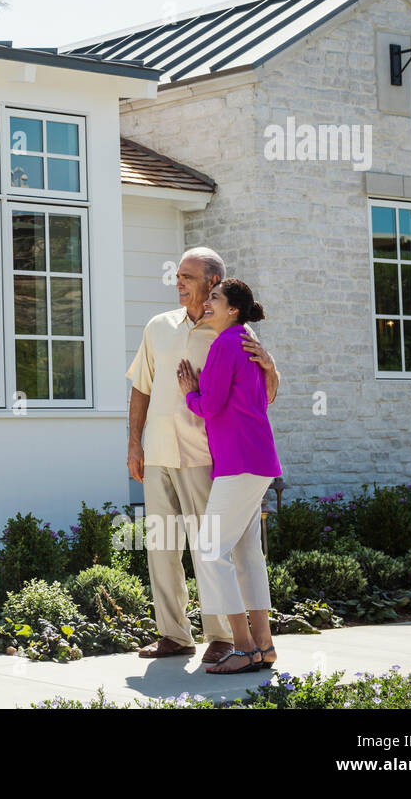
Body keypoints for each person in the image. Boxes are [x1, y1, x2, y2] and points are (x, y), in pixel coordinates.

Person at [126, 248, 278, 662]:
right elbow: (141, 386)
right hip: (159, 453)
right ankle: (174, 634)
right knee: (161, 545)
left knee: (211, 547)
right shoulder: (158, 327)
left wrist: (273, 368)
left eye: (187, 277)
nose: (178, 283)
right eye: (177, 275)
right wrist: (134, 443)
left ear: (213, 283)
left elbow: (263, 395)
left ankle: (223, 637)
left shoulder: (233, 332)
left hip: (208, 457)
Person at [178, 278, 282, 674]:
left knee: (209, 550)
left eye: (215, 299)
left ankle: (242, 646)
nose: (207, 303)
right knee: (246, 553)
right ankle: (264, 645)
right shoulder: (246, 337)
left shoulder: (225, 343)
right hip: (258, 460)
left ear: (232, 308)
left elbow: (212, 405)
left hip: (239, 462)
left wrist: (191, 391)